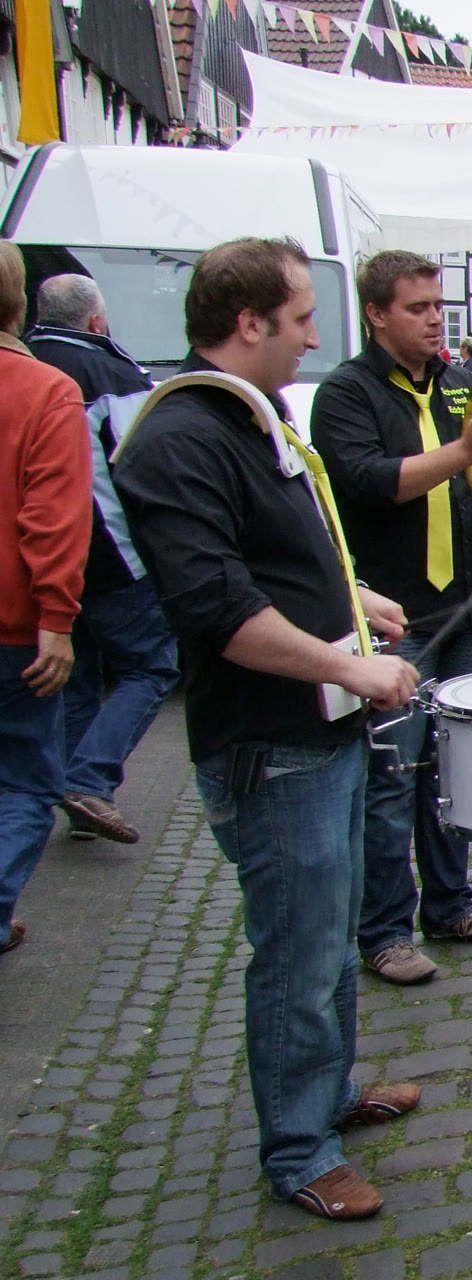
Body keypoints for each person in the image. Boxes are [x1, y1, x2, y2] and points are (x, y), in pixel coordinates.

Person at [113, 236, 425, 1219]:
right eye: (299, 319)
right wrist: (349, 665)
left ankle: (327, 1095)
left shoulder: (252, 418)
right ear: (247, 322)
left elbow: (283, 553)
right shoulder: (181, 439)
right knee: (297, 951)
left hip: (317, 732)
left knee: (330, 938)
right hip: (270, 744)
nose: (313, 339)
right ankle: (299, 1148)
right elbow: (218, 607)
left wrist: (351, 597)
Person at [310, 249, 472, 987]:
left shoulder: (461, 385)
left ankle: (452, 905)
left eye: (439, 306)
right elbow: (371, 484)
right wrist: (465, 450)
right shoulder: (346, 393)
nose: (435, 320)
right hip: (396, 617)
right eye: (418, 308)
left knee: (456, 767)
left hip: (466, 605)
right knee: (393, 774)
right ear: (376, 314)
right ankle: (384, 932)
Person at [27, 274, 181, 845]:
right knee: (153, 667)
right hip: (111, 554)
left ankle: (76, 795)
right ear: (97, 321)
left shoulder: (24, 363)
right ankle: (89, 779)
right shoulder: (116, 375)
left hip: (43, 555)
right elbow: (148, 464)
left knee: (77, 680)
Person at [0, 241, 92, 956]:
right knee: (29, 786)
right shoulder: (43, 390)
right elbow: (54, 516)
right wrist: (57, 619)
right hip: (15, 629)